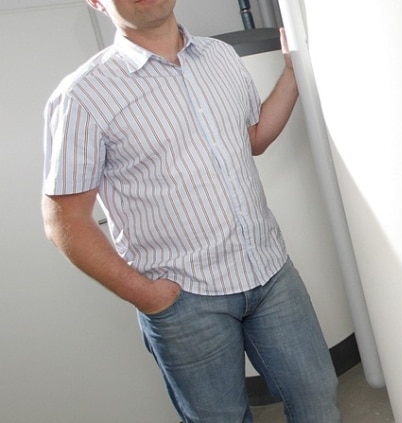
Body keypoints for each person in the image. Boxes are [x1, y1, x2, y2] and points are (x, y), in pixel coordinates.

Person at [41, 0, 341, 421]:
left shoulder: (219, 56)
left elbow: (253, 138)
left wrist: (292, 72)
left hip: (270, 274)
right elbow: (64, 220)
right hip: (184, 300)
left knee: (318, 395)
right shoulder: (83, 95)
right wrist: (147, 296)